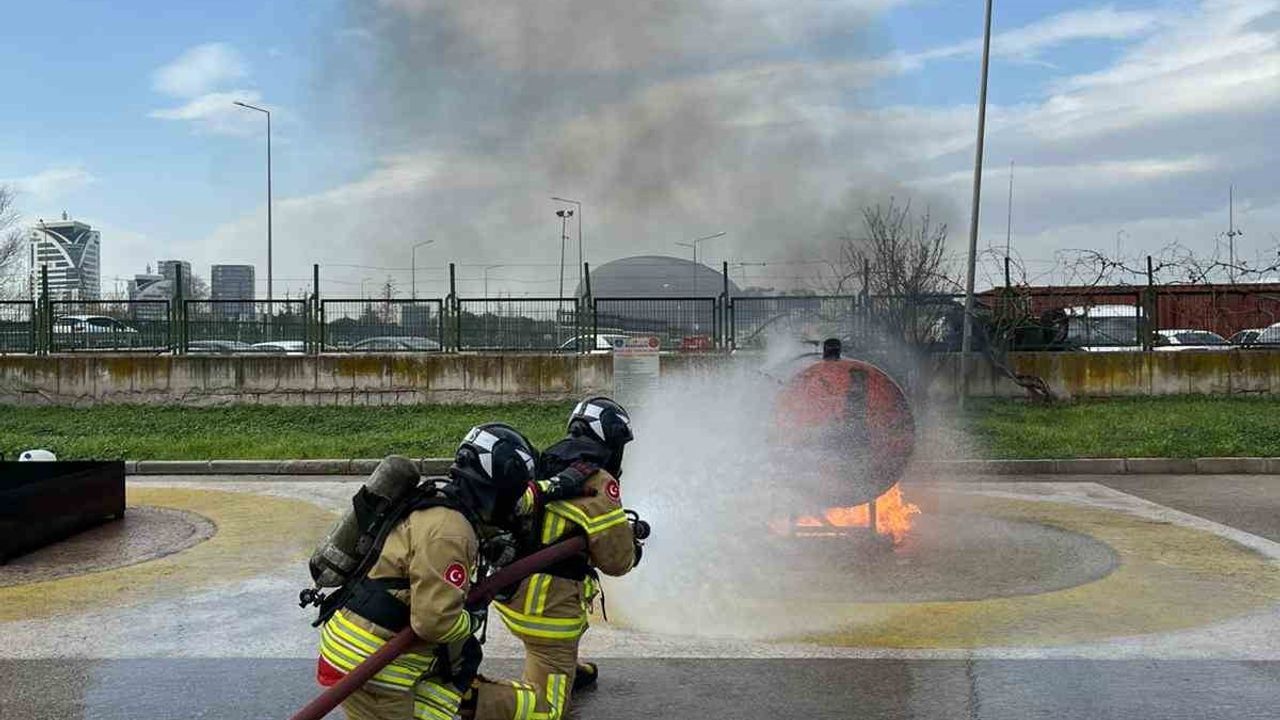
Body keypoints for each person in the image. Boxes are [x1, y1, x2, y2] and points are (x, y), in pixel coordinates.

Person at [315, 423, 538, 720]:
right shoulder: (451, 531)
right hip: (375, 666)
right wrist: (472, 617)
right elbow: (434, 623)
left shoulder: (439, 502)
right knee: (461, 653)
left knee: (463, 661)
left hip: (359, 647)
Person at [471, 397, 642, 720]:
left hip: (511, 594)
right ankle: (470, 698)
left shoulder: (548, 460)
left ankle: (564, 669)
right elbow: (617, 561)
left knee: (556, 642)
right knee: (548, 709)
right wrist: (633, 546)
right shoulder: (597, 482)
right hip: (546, 613)